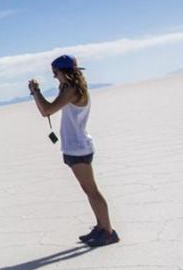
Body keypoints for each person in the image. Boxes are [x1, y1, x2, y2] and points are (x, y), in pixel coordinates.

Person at [29, 55, 119, 247]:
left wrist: (36, 91)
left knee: (92, 191)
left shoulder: (71, 90)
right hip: (75, 146)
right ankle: (102, 227)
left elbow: (46, 110)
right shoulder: (69, 88)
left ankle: (109, 231)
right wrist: (36, 93)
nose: (54, 77)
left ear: (65, 72)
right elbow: (46, 110)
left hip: (78, 148)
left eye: (56, 73)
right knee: (89, 190)